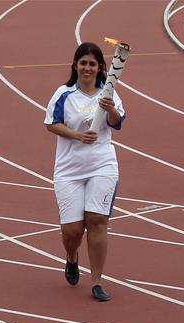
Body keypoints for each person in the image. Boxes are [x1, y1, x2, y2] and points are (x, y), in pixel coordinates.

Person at [43, 41, 126, 302]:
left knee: (97, 221)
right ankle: (71, 256)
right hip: (69, 170)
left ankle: (97, 281)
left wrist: (110, 107)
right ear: (75, 66)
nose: (87, 68)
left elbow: (117, 122)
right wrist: (77, 136)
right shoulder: (63, 94)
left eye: (92, 64)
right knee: (73, 231)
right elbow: (51, 124)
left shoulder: (109, 93)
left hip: (102, 165)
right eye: (83, 63)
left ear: (101, 67)